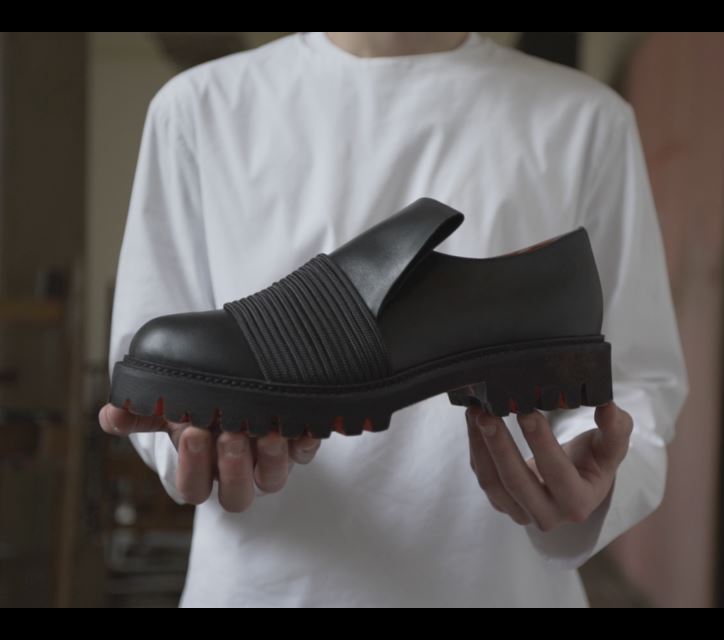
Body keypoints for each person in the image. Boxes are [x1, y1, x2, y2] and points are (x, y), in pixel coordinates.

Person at [97, 32, 687, 607]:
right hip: (263, 587)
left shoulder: (587, 119)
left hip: (497, 588)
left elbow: (636, 375)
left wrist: (588, 466)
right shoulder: (197, 106)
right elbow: (163, 362)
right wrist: (191, 443)